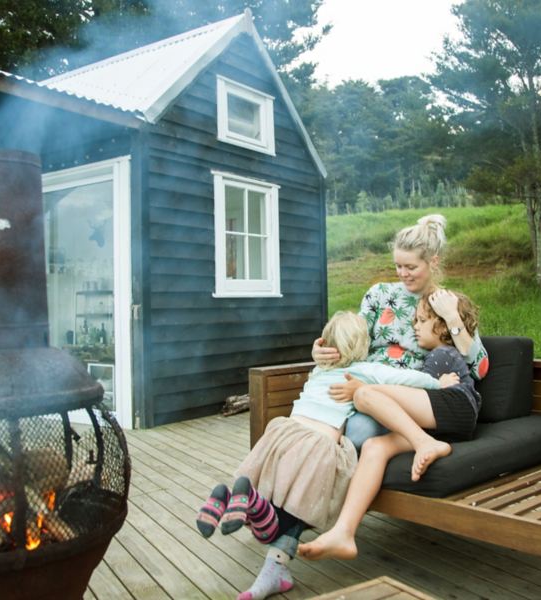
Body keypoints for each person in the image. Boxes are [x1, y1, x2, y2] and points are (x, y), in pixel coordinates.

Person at [195, 311, 459, 600]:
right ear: (362, 346)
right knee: (302, 501)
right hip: (318, 443)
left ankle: (234, 498)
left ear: (327, 344)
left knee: (270, 486)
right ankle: (258, 511)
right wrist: (440, 383)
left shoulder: (319, 371)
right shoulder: (363, 369)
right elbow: (404, 378)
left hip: (284, 433)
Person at [298, 290, 482, 561]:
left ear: (442, 325)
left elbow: (422, 392)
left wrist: (365, 385)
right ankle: (344, 533)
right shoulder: (428, 353)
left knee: (363, 395)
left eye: (420, 321)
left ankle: (424, 444)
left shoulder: (443, 355)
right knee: (374, 448)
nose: (414, 327)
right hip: (439, 425)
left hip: (457, 407)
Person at [313, 214, 489, 450]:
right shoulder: (379, 294)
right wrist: (323, 350)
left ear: (433, 262)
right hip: (361, 379)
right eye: (398, 266)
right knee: (312, 425)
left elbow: (480, 367)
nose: (403, 274)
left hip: (403, 396)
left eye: (411, 267)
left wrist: (452, 317)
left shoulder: (447, 302)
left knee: (358, 432)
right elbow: (352, 340)